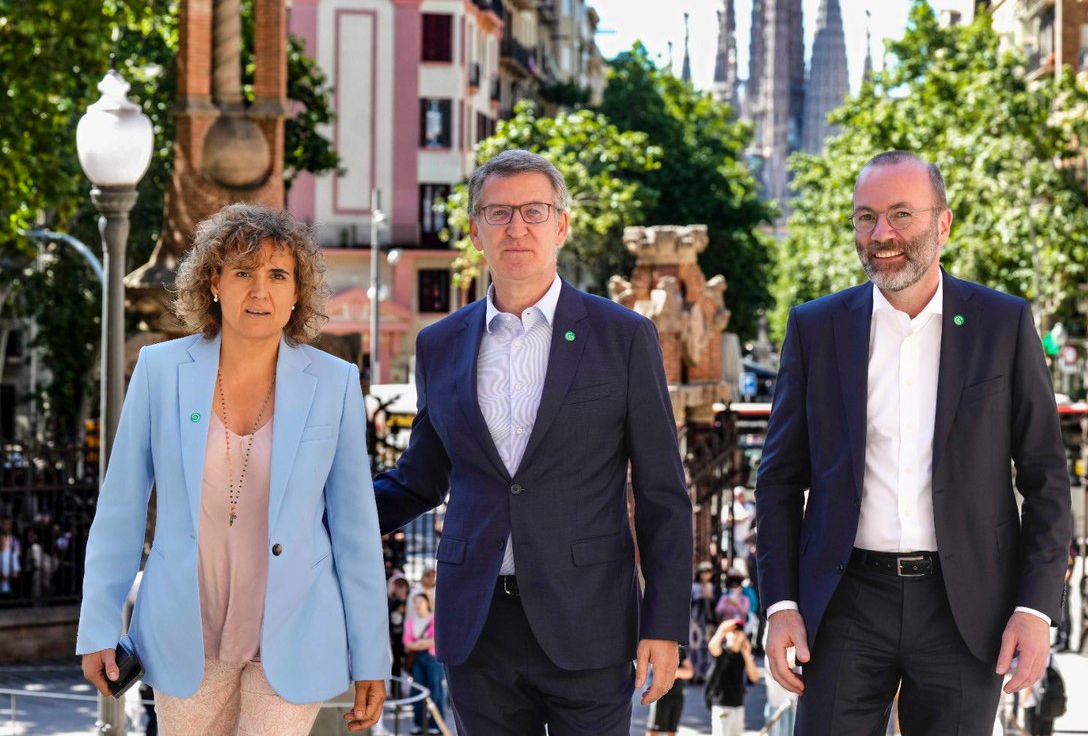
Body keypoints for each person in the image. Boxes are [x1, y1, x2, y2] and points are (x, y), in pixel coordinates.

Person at [373, 149, 693, 734]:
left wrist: (665, 625)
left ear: (561, 225)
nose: (517, 227)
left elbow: (663, 495)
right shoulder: (439, 344)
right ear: (474, 231)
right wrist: (319, 513)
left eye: (534, 211)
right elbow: (419, 478)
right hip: (478, 628)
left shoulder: (624, 337)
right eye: (498, 213)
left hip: (589, 626)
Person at [756, 151, 1072, 734]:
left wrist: (1035, 609)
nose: (882, 234)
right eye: (865, 217)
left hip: (966, 607)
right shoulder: (815, 327)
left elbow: (1046, 477)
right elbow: (778, 480)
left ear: (943, 223)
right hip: (843, 603)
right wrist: (779, 606)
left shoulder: (1002, 324)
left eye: (901, 215)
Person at [76, 204, 390, 734]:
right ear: (214, 282)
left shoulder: (334, 383)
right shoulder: (159, 371)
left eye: (277, 275)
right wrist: (98, 627)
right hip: (184, 631)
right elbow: (121, 509)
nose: (260, 290)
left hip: (293, 630)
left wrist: (371, 657)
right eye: (242, 272)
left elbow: (357, 530)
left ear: (297, 294)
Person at [705, 619, 759, 736]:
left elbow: (754, 677)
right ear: (726, 634)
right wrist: (722, 629)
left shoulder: (743, 655)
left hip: (738, 706)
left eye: (739, 631)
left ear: (743, 635)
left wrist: (746, 653)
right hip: (721, 705)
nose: (735, 634)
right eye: (732, 631)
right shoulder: (722, 652)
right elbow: (712, 647)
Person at [403, 593, 445, 734]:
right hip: (417, 659)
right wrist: (423, 644)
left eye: (420, 601)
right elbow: (407, 644)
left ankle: (436, 724)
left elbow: (438, 639)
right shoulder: (410, 622)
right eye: (415, 601)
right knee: (417, 690)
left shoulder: (435, 618)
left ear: (427, 602)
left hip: (433, 657)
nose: (418, 604)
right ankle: (418, 723)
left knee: (436, 690)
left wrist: (419, 644)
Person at [645, 644, 692, 736]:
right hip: (660, 696)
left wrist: (676, 673)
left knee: (672, 730)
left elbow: (689, 673)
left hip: (677, 695)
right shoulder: (657, 648)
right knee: (653, 729)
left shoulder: (680, 650)